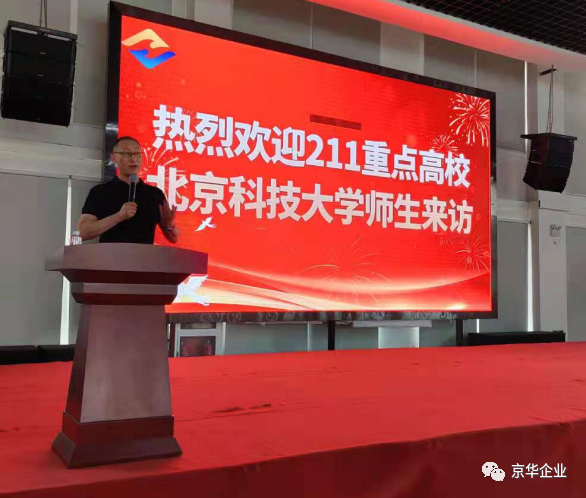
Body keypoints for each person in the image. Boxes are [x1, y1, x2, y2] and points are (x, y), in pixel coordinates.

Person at [77, 136, 180, 244]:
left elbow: (173, 238)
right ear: (113, 157)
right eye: (127, 153)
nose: (133, 159)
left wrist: (170, 225)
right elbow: (81, 233)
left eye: (137, 153)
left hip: (144, 254)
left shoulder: (154, 194)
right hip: (110, 254)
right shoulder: (100, 192)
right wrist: (119, 216)